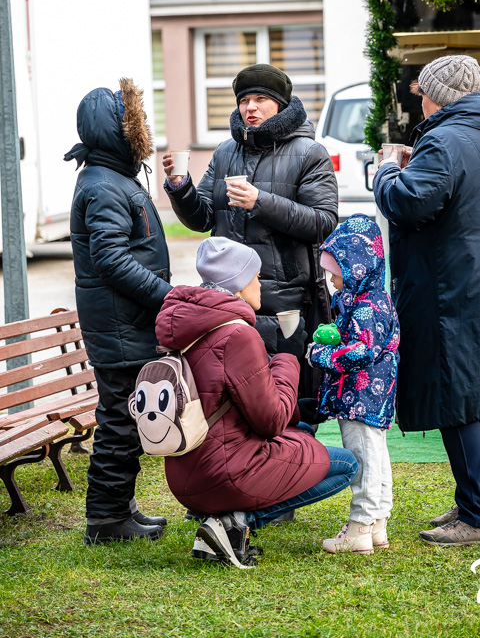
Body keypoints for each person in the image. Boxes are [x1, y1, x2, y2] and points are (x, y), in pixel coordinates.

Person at [373, 55, 480, 548]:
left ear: (439, 94)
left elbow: (409, 202)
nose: (419, 100)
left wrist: (383, 172)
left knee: (457, 393)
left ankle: (479, 515)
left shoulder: (443, 139)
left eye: (423, 92)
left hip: (452, 284)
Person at [155, 237, 358, 569]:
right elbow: (271, 422)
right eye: (255, 276)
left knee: (303, 429)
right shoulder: (236, 334)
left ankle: (223, 521)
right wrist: (288, 355)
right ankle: (234, 522)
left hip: (185, 471)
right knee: (347, 465)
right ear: (237, 284)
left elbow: (233, 402)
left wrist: (297, 404)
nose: (260, 284)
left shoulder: (187, 325)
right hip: (223, 473)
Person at [162, 63, 338, 363]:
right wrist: (180, 187)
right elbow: (202, 218)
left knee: (283, 394)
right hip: (226, 299)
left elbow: (323, 222)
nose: (250, 108)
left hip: (284, 299)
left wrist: (260, 202)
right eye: (243, 100)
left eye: (260, 99)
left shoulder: (310, 153)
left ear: (280, 105)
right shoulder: (225, 152)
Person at [65, 78, 172, 544]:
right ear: (115, 129)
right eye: (134, 121)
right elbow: (112, 260)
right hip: (120, 325)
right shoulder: (104, 185)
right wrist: (165, 295)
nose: (140, 129)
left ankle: (119, 508)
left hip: (123, 324)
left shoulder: (109, 176)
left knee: (124, 416)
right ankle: (107, 521)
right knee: (119, 420)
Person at [307, 214, 400, 555]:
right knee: (376, 455)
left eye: (335, 272)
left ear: (356, 268)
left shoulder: (368, 306)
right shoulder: (364, 300)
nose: (331, 280)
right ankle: (377, 524)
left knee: (364, 458)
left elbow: (361, 351)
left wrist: (322, 355)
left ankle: (360, 527)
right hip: (368, 395)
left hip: (362, 396)